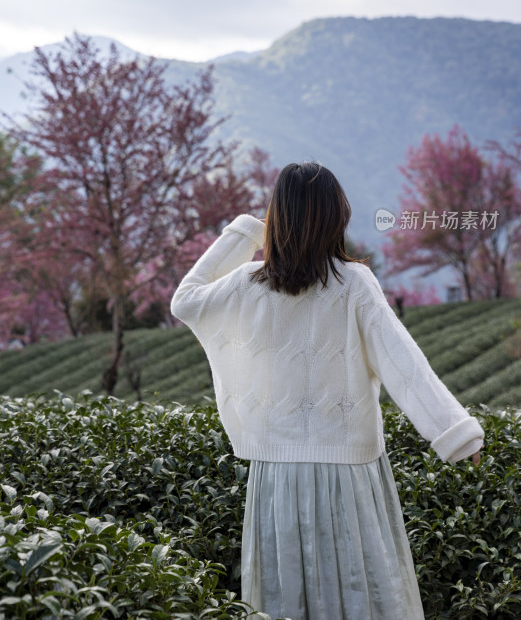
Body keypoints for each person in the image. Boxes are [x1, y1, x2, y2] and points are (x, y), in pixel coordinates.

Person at [170, 162, 484, 620]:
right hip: (347, 472)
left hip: (277, 475)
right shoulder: (353, 283)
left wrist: (245, 233)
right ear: (336, 216)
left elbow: (186, 298)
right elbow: (403, 365)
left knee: (284, 595)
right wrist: (456, 433)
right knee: (362, 588)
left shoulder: (246, 284)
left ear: (277, 216)